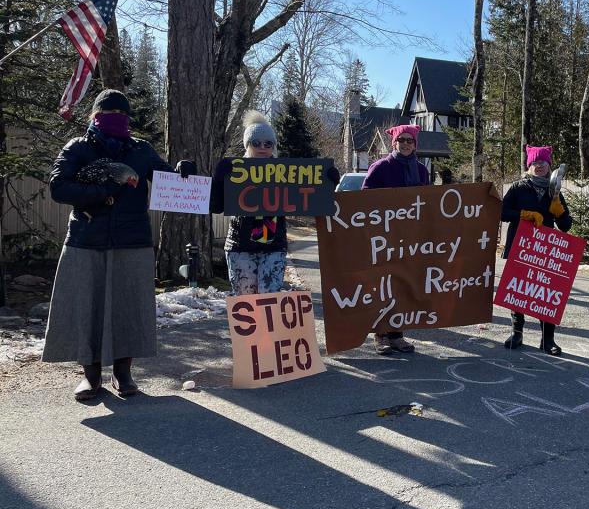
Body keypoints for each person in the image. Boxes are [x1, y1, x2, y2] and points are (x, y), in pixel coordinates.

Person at [43, 89, 196, 400]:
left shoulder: (140, 150)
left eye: (121, 115)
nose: (114, 120)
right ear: (94, 117)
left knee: (128, 307)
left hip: (133, 240)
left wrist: (182, 173)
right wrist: (103, 192)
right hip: (86, 240)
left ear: (128, 119)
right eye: (106, 114)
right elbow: (58, 187)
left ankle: (123, 373)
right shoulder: (78, 148)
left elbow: (167, 177)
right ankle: (91, 376)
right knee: (88, 307)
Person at [210, 110, 339, 296]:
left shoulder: (286, 173)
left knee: (268, 302)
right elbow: (215, 206)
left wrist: (328, 182)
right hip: (240, 246)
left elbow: (311, 200)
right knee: (247, 304)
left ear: (273, 146)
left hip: (273, 247)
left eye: (268, 143)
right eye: (256, 143)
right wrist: (218, 181)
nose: (262, 147)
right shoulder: (234, 172)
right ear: (248, 145)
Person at [361, 124, 430, 354]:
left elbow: (428, 204)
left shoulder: (422, 171)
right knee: (383, 286)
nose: (406, 144)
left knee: (403, 286)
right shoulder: (380, 168)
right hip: (384, 237)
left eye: (410, 141)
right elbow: (364, 201)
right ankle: (380, 335)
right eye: (402, 140)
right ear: (395, 143)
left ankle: (397, 335)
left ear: (415, 144)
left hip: (410, 239)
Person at [500, 145, 572, 356]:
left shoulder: (554, 190)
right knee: (518, 290)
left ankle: (547, 338)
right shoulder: (518, 187)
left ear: (549, 166)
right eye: (535, 163)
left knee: (546, 294)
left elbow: (566, 225)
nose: (539, 166)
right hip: (520, 246)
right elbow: (502, 213)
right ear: (528, 166)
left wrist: (558, 210)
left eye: (543, 163)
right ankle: (517, 332)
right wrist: (524, 214)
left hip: (546, 250)